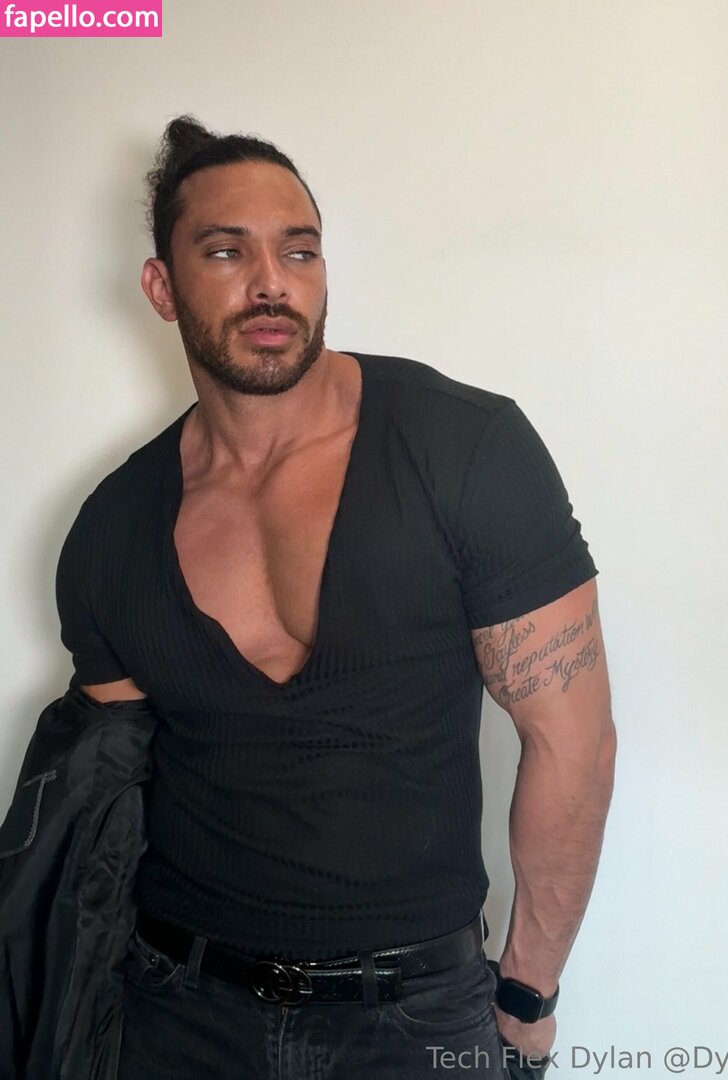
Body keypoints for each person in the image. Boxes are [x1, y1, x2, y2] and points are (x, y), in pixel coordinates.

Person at [54, 115, 616, 1079]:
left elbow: (575, 743)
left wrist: (526, 995)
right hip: (177, 1009)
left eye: (299, 250)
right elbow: (105, 800)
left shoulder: (463, 449)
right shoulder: (111, 530)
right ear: (161, 287)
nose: (271, 282)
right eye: (225, 251)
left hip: (418, 1013)